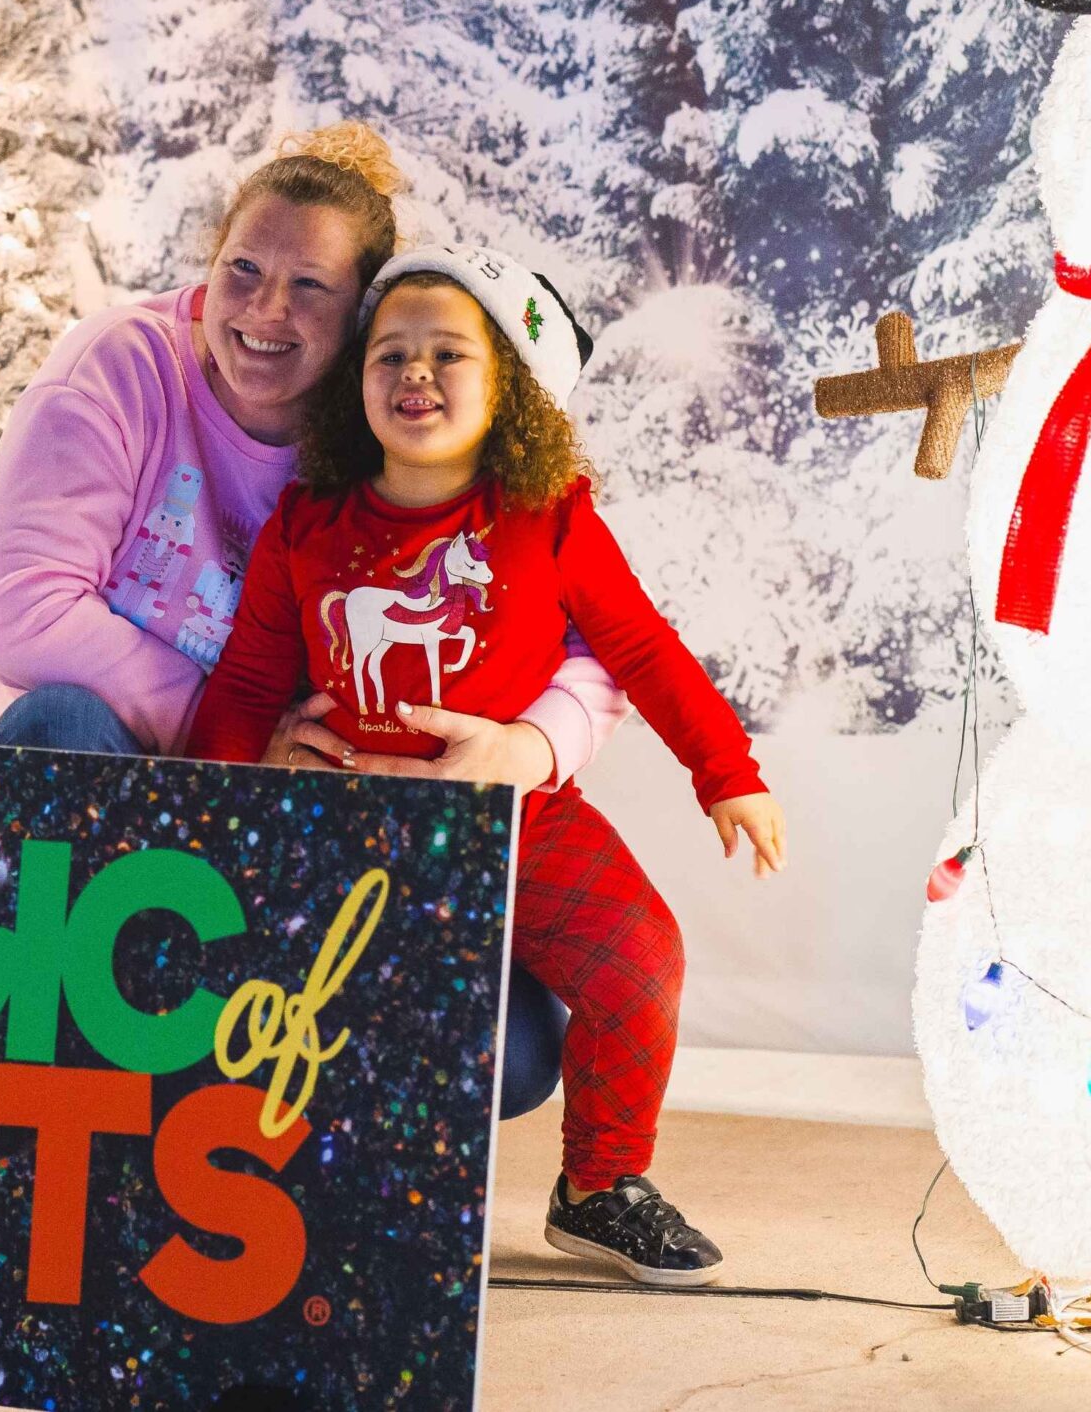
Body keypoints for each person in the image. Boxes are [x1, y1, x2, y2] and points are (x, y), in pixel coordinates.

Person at [0, 124, 623, 1116]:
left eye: (308, 287)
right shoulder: (123, 368)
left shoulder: (412, 421)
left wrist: (529, 747)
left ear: (362, 316)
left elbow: (597, 638)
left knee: (518, 1057)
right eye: (243, 270)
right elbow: (13, 606)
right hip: (122, 796)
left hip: (313, 820)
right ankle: (76, 1097)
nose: (264, 310)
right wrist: (233, 730)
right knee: (56, 725)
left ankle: (224, 1062)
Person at [184, 242, 787, 1286]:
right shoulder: (308, 522)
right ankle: (307, 1188)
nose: (415, 373)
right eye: (390, 355)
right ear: (355, 383)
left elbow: (640, 647)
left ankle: (600, 1187)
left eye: (447, 354)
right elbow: (244, 683)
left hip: (519, 819)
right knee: (326, 1012)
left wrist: (725, 770)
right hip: (350, 828)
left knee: (639, 959)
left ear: (505, 384)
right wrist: (216, 819)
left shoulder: (548, 517)